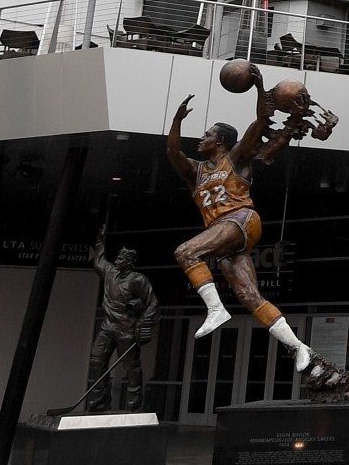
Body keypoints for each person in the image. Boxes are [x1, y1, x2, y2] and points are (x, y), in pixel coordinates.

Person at [165, 87, 314, 372]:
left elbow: (258, 124)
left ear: (220, 140)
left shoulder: (235, 158)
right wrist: (176, 120)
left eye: (207, 135)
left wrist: (260, 91)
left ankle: (216, 309)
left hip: (241, 220)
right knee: (249, 296)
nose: (201, 138)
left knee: (185, 252)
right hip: (225, 238)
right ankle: (298, 347)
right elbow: (172, 151)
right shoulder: (195, 171)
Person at [86, 234, 160, 412]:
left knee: (131, 367)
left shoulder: (137, 280)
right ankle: (100, 401)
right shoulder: (111, 273)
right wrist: (99, 243)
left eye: (121, 258)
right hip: (107, 326)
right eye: (117, 257)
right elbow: (99, 262)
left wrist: (143, 321)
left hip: (126, 329)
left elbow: (152, 303)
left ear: (130, 262)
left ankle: (133, 404)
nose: (117, 260)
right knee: (97, 360)